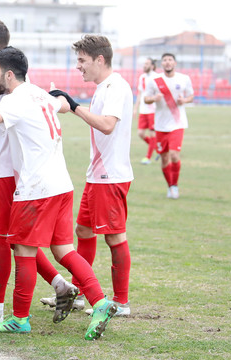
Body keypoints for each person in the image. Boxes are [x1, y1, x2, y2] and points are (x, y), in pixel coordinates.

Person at [0, 46, 119, 341]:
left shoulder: (17, 99)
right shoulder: (40, 94)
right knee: (63, 250)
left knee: (24, 251)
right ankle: (101, 301)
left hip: (36, 189)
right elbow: (61, 106)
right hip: (61, 184)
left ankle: (19, 319)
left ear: (10, 74)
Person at [0, 19, 78, 330]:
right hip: (19, 171)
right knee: (19, 242)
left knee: (1, 243)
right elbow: (55, 106)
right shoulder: (24, 80)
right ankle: (59, 284)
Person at [61, 34, 134, 317]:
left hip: (111, 177)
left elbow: (106, 125)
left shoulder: (116, 86)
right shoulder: (103, 86)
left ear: (99, 59)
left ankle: (122, 302)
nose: (78, 66)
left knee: (115, 237)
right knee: (83, 231)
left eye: (82, 61)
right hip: (97, 176)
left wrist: (75, 106)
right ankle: (79, 292)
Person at [144, 53, 194, 199]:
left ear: (175, 63)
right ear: (162, 64)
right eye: (165, 60)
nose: (167, 62)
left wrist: (184, 100)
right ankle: (170, 185)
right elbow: (146, 98)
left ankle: (175, 186)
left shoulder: (184, 78)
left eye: (170, 60)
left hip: (178, 123)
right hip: (160, 125)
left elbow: (191, 96)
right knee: (165, 158)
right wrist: (154, 98)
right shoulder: (155, 81)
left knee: (174, 155)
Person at [134, 58, 158, 164]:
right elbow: (140, 94)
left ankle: (148, 157)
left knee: (152, 134)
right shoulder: (142, 77)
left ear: (152, 66)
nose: (145, 66)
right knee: (140, 133)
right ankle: (159, 149)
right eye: (144, 64)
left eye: (147, 64)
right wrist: (135, 108)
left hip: (153, 110)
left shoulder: (156, 77)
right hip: (143, 110)